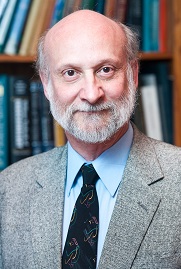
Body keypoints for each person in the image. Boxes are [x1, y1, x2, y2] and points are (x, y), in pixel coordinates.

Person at [0, 9, 181, 269]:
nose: (91, 94)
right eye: (71, 73)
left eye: (106, 69)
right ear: (46, 84)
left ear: (132, 74)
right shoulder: (9, 189)